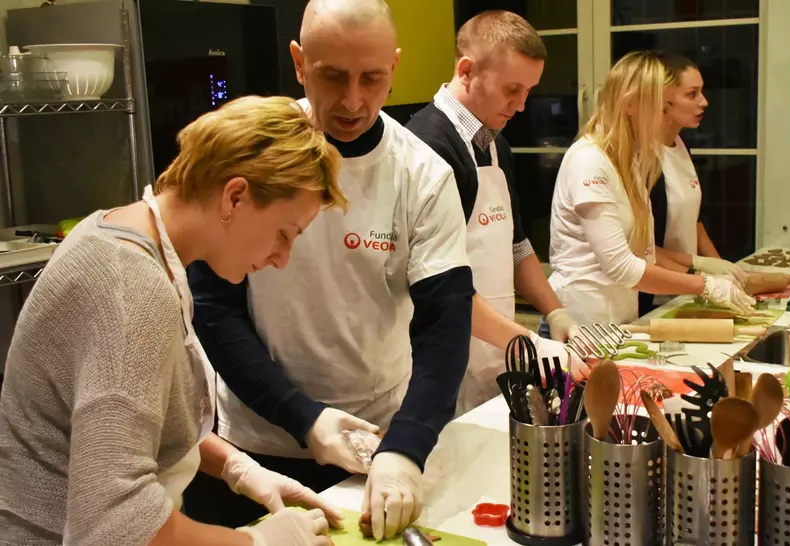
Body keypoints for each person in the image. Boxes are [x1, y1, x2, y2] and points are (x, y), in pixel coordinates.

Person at [182, 0, 474, 540]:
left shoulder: (422, 174)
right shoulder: (252, 153)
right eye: (332, 76)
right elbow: (215, 309)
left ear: (395, 65)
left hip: (374, 443)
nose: (353, 100)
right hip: (258, 445)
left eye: (373, 78)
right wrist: (303, 416)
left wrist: (407, 447)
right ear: (299, 63)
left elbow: (445, 325)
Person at [0, 95, 346, 546]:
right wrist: (257, 544)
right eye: (284, 233)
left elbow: (119, 424)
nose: (282, 258)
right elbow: (115, 526)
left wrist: (237, 467)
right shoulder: (132, 289)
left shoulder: (124, 234)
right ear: (235, 195)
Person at [406, 10, 587, 416]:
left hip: (496, 346)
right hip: (444, 357)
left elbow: (516, 244)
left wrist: (554, 311)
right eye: (512, 90)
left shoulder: (494, 142)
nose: (521, 106)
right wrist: (531, 343)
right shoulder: (429, 146)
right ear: (467, 71)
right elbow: (439, 285)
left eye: (528, 91)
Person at [547, 51, 756, 327]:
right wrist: (703, 284)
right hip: (580, 320)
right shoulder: (589, 160)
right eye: (661, 105)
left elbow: (642, 251)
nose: (666, 114)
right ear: (629, 104)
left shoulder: (631, 160)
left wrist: (702, 266)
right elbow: (621, 267)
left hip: (618, 317)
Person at [644, 51, 747, 312]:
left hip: (684, 290)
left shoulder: (680, 145)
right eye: (692, 94)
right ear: (663, 99)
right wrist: (700, 275)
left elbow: (694, 223)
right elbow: (641, 248)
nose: (704, 102)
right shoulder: (642, 156)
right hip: (651, 296)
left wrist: (725, 271)